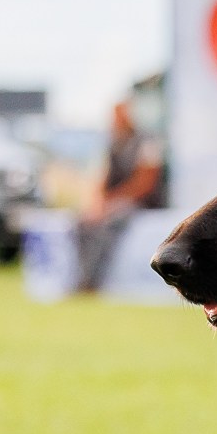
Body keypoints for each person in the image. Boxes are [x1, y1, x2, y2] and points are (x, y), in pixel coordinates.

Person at [74, 100, 166, 294]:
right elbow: (101, 178)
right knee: (83, 224)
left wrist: (113, 201)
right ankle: (83, 276)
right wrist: (99, 203)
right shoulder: (113, 144)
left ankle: (91, 280)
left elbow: (145, 183)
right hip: (117, 201)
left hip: (141, 203)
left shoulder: (148, 141)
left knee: (110, 224)